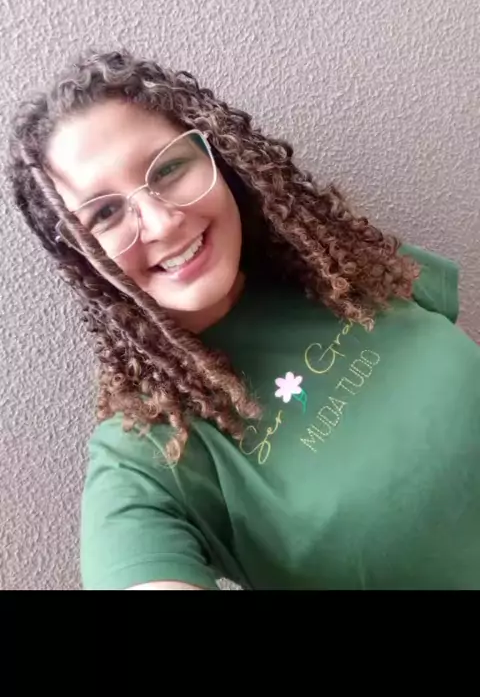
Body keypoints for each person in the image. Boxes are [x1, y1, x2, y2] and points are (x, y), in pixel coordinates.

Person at [8, 49, 480, 591]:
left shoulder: (342, 265)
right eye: (105, 213)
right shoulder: (147, 453)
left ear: (218, 158)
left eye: (169, 168)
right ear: (80, 256)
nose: (162, 222)